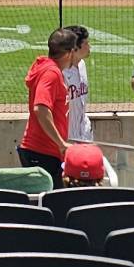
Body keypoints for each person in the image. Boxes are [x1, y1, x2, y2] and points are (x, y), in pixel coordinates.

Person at [18, 26, 81, 184]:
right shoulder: (51, 73)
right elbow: (41, 108)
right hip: (42, 153)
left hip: (44, 153)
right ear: (69, 53)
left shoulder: (49, 69)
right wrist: (61, 144)